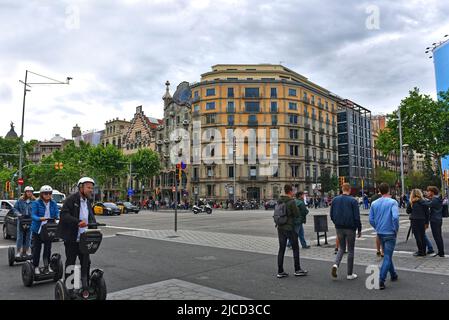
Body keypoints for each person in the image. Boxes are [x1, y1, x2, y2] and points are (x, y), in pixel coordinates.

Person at [57, 177, 97, 298]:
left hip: (84, 238)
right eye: (88, 187)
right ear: (81, 187)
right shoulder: (71, 199)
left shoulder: (88, 201)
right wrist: (77, 222)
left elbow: (90, 217)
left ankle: (85, 285)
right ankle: (69, 288)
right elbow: (63, 214)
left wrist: (95, 227)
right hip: (71, 237)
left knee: (86, 261)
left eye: (92, 188)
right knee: (71, 262)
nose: (91, 190)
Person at [369, 183, 399, 290]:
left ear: (379, 191)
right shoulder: (393, 202)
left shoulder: (374, 203)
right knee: (387, 256)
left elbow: (371, 220)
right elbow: (395, 217)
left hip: (380, 232)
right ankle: (381, 280)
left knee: (387, 254)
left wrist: (377, 227)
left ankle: (393, 274)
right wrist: (395, 229)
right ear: (388, 190)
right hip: (390, 232)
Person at [330, 183, 361, 280]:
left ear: (342, 189)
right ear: (350, 190)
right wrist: (359, 229)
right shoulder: (353, 201)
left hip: (339, 227)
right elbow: (357, 217)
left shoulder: (335, 200)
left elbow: (331, 214)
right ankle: (349, 273)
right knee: (350, 249)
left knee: (341, 248)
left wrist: (336, 223)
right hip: (350, 228)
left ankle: (336, 265)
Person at [276, 184, 307, 278]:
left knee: (281, 249)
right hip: (290, 227)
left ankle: (280, 271)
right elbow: (297, 214)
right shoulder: (291, 201)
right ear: (290, 191)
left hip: (280, 227)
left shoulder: (279, 200)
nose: (293, 192)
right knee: (295, 248)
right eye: (293, 191)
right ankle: (297, 269)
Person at [31, 185, 60, 275]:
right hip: (38, 229)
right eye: (45, 193)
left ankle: (47, 266)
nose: (48, 195)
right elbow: (33, 215)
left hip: (49, 228)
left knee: (48, 249)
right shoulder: (36, 203)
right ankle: (35, 266)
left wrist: (57, 218)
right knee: (37, 249)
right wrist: (40, 218)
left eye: (49, 193)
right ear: (41, 194)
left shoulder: (53, 203)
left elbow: (56, 213)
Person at [406, 189, 430, 257]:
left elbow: (408, 211)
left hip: (414, 220)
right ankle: (424, 251)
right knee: (422, 236)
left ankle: (420, 251)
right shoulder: (423, 201)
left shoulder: (412, 202)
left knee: (417, 237)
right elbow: (427, 213)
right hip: (422, 220)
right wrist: (427, 223)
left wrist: (410, 204)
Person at [13, 186, 35, 257]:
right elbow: (15, 209)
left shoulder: (34, 201)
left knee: (29, 236)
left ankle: (27, 250)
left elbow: (36, 210)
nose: (29, 193)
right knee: (20, 236)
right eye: (28, 191)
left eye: (31, 192)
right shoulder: (20, 200)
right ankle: (19, 251)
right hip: (21, 220)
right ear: (25, 192)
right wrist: (18, 214)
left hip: (30, 220)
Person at [424, 186, 445, 257]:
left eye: (428, 191)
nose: (427, 192)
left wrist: (420, 200)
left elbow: (428, 204)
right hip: (437, 219)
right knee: (438, 236)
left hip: (435, 220)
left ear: (432, 192)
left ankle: (441, 253)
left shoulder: (435, 199)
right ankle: (440, 251)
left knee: (437, 236)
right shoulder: (436, 198)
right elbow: (430, 201)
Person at [371, 189, 384, 257]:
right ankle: (383, 251)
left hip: (376, 218)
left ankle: (378, 250)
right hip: (383, 217)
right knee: (383, 235)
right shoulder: (384, 198)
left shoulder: (373, 197)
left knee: (378, 235)